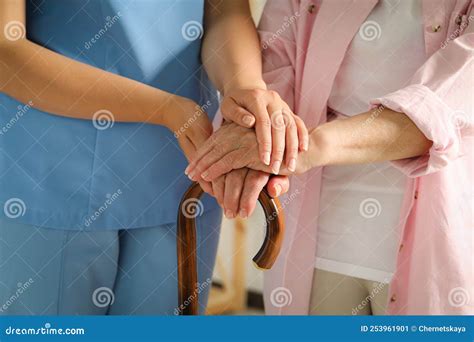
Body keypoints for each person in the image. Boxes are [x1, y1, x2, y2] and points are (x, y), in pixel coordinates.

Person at [0, 0, 293, 315]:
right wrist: (163, 109)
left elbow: (226, 12)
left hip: (178, 175)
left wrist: (244, 87)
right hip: (52, 172)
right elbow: (6, 49)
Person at [187, 0, 474, 315]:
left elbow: (440, 109)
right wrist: (259, 129)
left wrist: (304, 149)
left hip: (438, 246)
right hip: (318, 242)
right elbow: (274, 69)